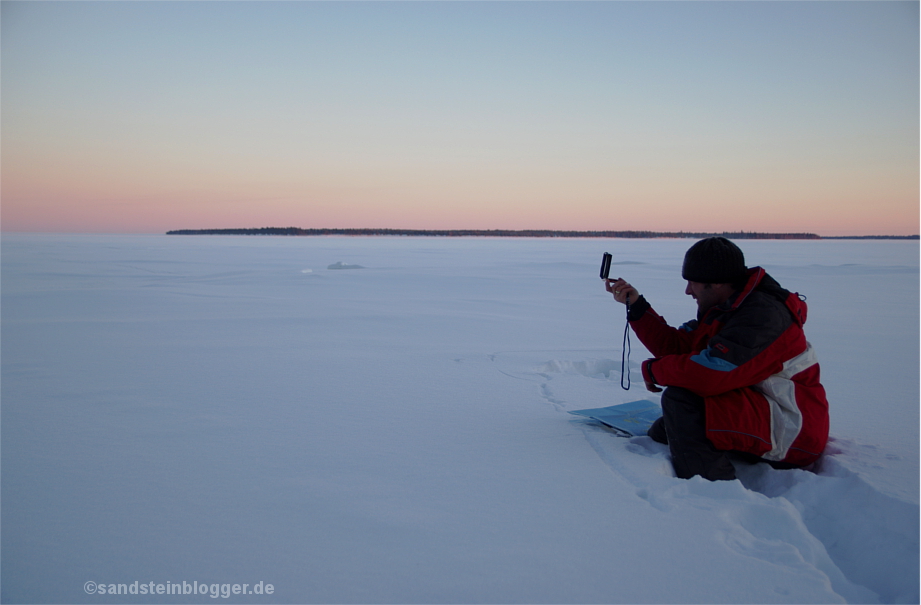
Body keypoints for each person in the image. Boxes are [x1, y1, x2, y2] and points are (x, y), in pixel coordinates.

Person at [605, 237, 829, 481]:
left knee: (681, 401)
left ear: (717, 283)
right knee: (665, 430)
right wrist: (637, 306)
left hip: (793, 430)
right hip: (763, 409)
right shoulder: (728, 308)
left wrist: (654, 371)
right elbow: (679, 348)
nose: (688, 291)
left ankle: (712, 490)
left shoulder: (763, 316)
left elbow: (710, 375)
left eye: (693, 283)